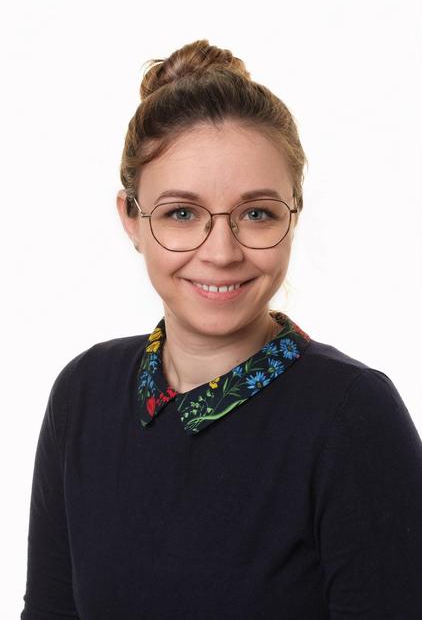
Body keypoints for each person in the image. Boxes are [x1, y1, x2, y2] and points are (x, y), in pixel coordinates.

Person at [21, 39, 422, 619]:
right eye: (181, 213)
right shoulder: (83, 394)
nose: (221, 252)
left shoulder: (354, 418)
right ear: (131, 219)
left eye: (256, 213)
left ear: (294, 215)